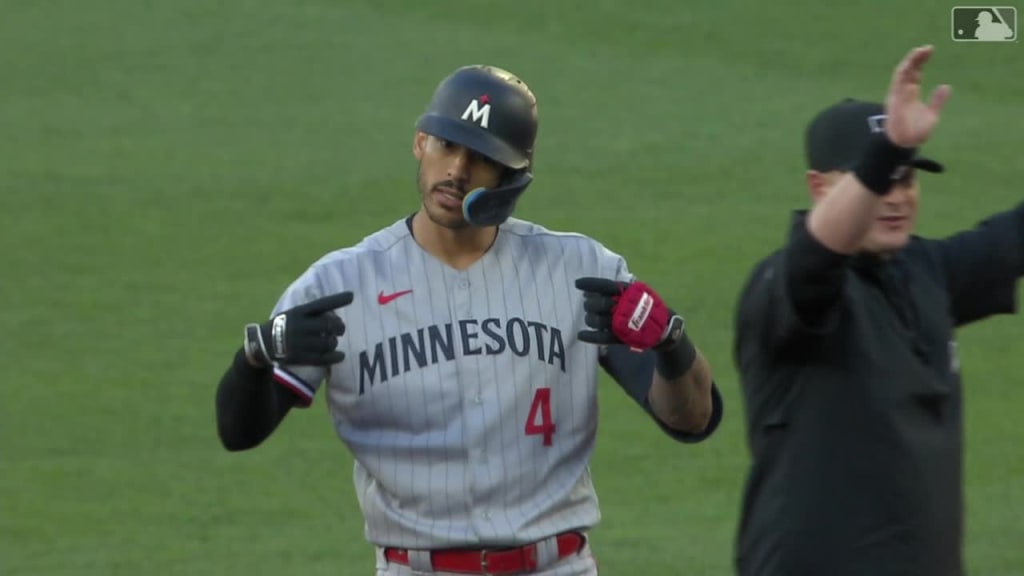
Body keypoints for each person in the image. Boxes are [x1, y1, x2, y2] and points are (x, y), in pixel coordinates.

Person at [215, 64, 724, 576]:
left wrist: (671, 345)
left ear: (512, 177)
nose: (456, 170)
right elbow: (239, 432)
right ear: (419, 143)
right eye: (446, 145)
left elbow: (692, 420)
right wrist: (257, 356)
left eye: (481, 158)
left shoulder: (581, 273)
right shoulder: (339, 286)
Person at [733, 44, 1023, 576]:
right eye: (878, 180)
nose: (897, 196)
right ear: (819, 188)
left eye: (907, 178)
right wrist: (887, 149)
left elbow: (1012, 236)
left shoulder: (923, 270)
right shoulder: (785, 289)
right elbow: (817, 256)